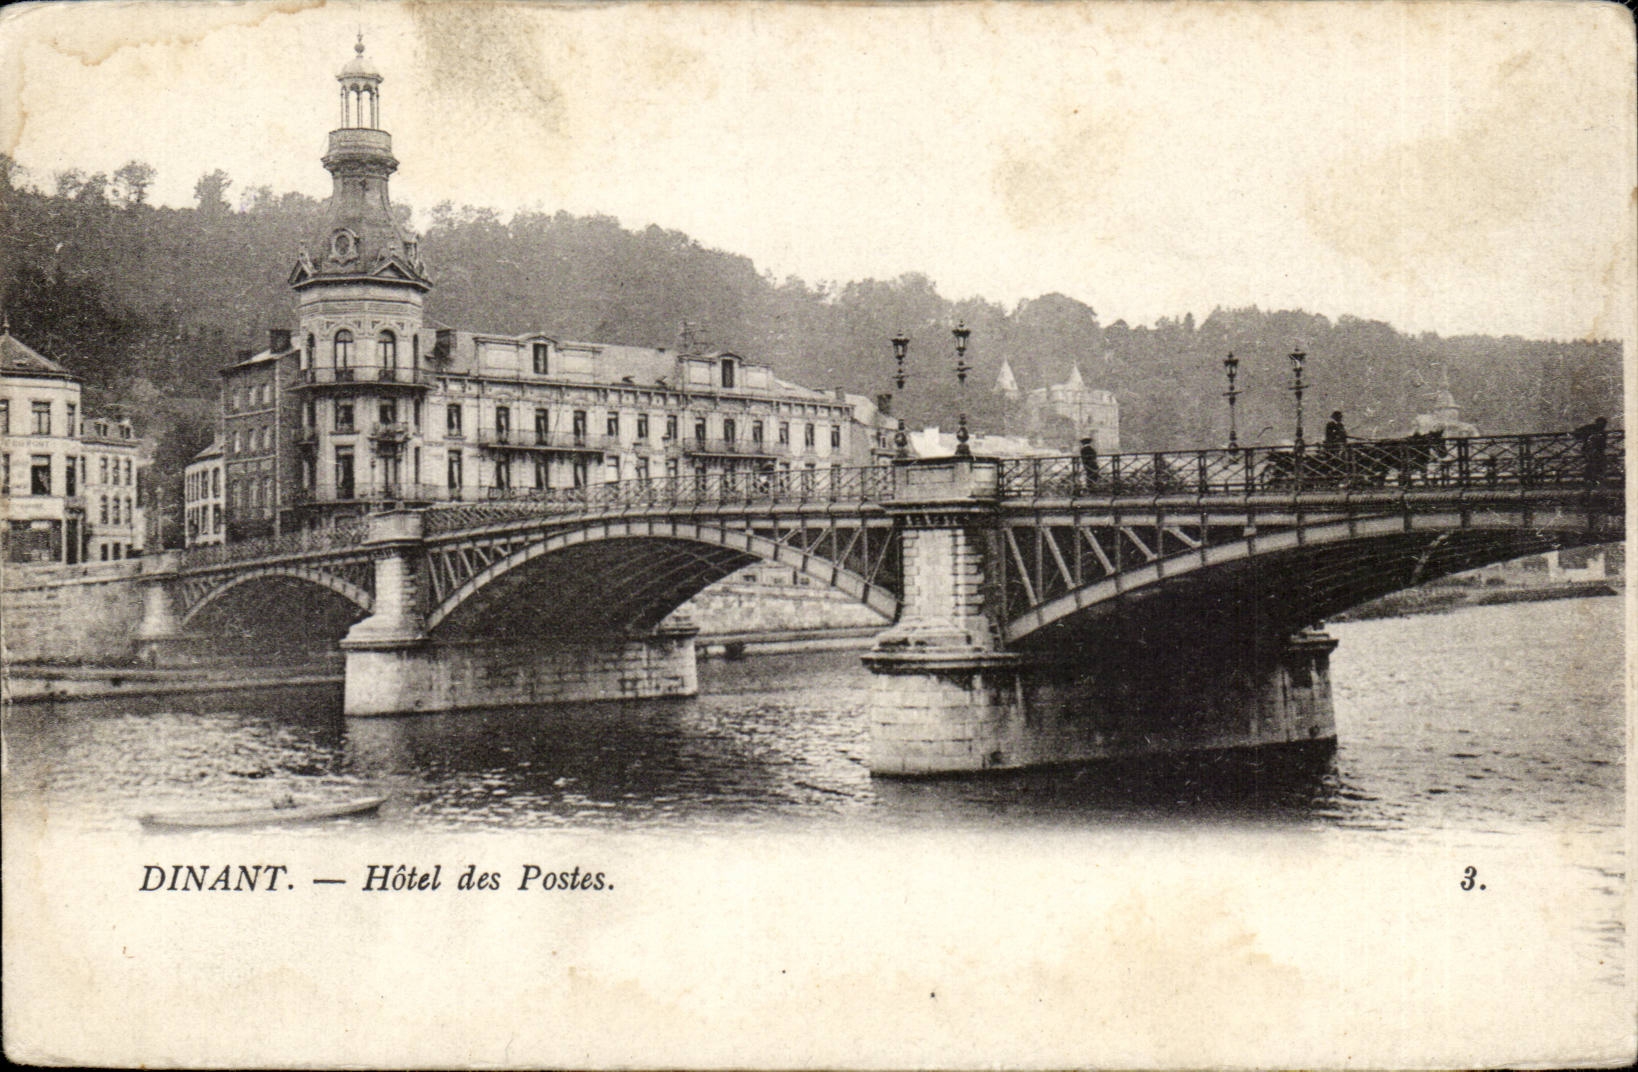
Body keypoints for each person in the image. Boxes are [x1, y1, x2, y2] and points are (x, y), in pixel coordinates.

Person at [1573, 416, 1608, 485]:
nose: (1602, 425)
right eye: (1601, 423)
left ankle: (1592, 479)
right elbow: (1577, 433)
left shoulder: (1601, 431)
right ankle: (1591, 479)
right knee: (1593, 464)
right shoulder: (1591, 428)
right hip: (1590, 450)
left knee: (1595, 464)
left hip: (1596, 450)